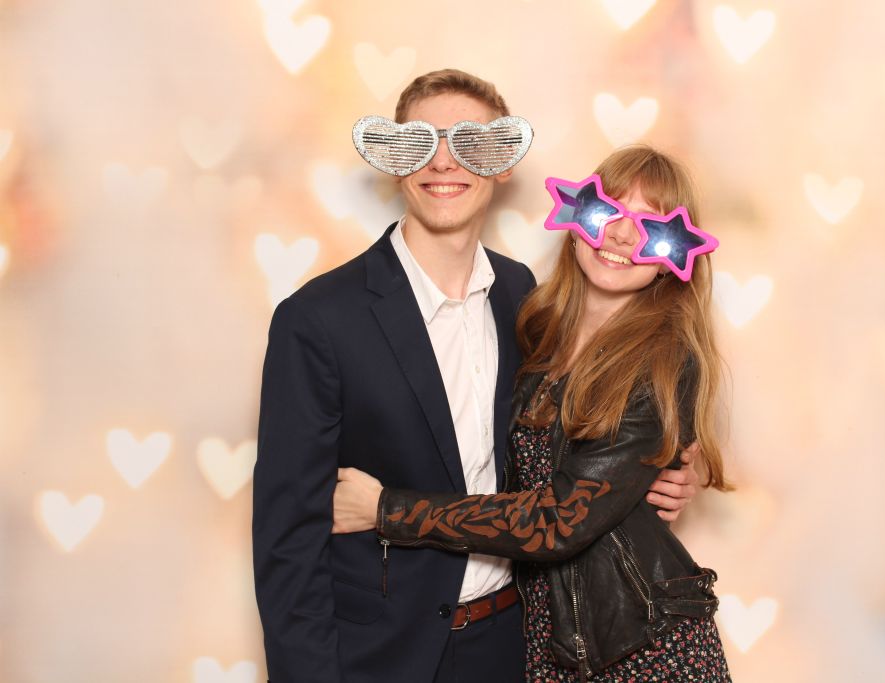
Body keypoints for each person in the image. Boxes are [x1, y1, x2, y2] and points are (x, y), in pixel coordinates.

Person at [252, 69, 696, 683]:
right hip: (379, 654)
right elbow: (287, 538)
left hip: (513, 644)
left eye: (471, 143)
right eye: (421, 142)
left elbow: (573, 454)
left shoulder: (523, 298)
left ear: (503, 164)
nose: (443, 162)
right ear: (395, 161)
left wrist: (665, 464)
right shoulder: (319, 319)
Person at [333, 145, 733, 681]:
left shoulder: (662, 363)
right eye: (607, 211)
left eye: (651, 227)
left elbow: (559, 519)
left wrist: (387, 510)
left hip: (642, 649)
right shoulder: (535, 325)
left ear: (675, 257)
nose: (621, 236)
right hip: (549, 641)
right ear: (578, 221)